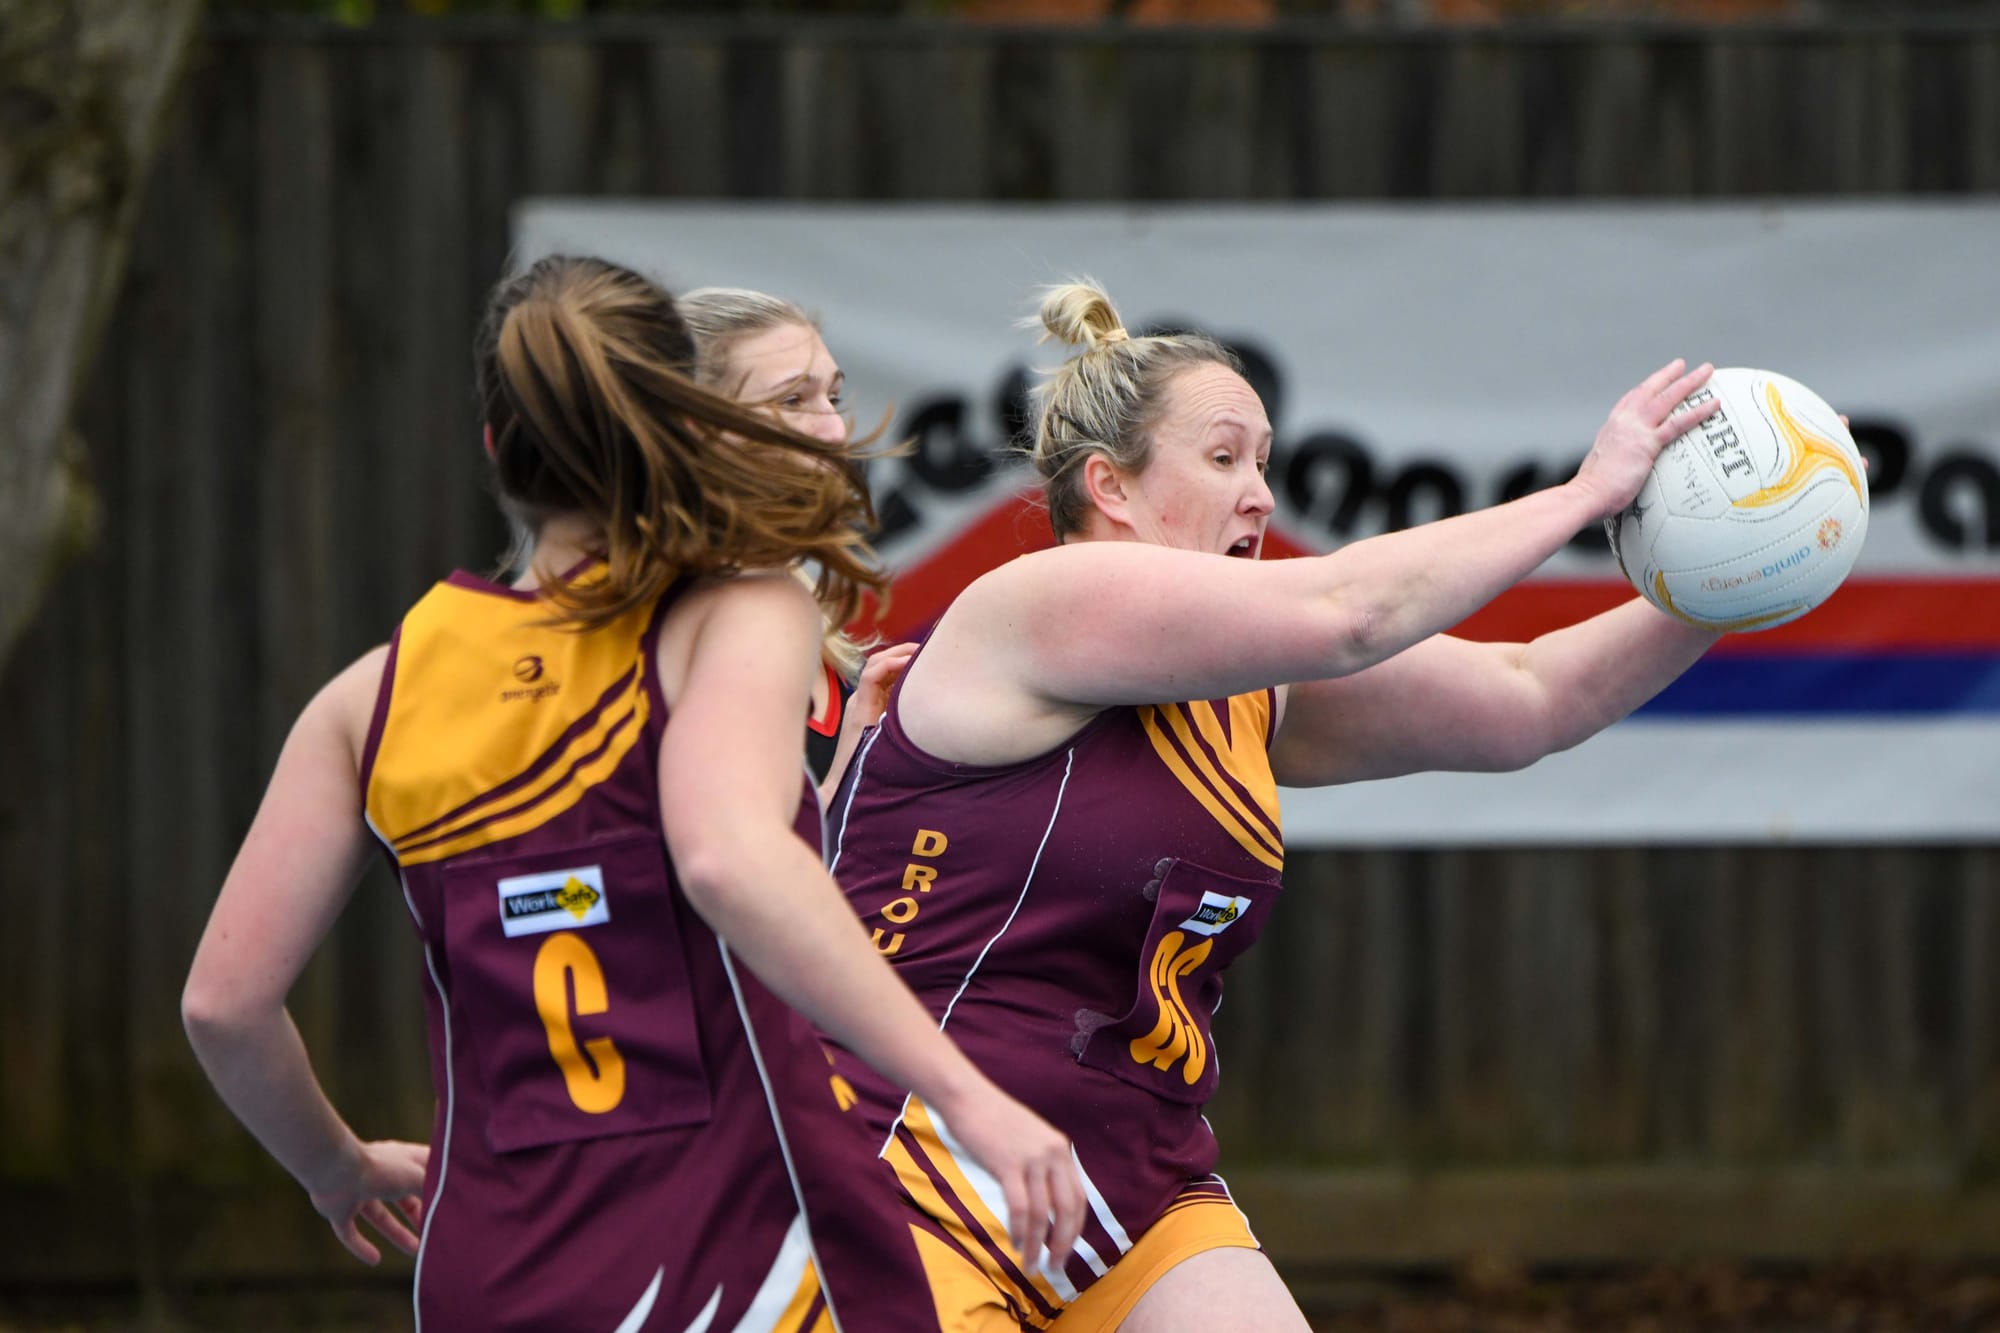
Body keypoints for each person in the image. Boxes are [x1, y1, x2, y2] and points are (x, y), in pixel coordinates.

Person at [181, 255, 1084, 1333]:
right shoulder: (728, 622)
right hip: (740, 1257)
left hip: (490, 1278)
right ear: (674, 426)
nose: (826, 427)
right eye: (793, 399)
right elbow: (728, 858)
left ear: (495, 455)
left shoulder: (369, 696)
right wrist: (970, 1096)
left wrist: (333, 1165)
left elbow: (222, 1007)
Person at [821, 279, 1727, 1332]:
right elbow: (1349, 609)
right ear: (1108, 485)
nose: (1258, 493)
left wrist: (1735, 572)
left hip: (1133, 1179)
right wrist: (1582, 494)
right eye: (1221, 460)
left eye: (1263, 461)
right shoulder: (1034, 605)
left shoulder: (1251, 687)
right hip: (920, 1156)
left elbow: (1529, 698)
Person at [678, 285, 918, 796]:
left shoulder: (801, 619)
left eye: (833, 396)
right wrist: (841, 788)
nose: (835, 431)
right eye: (793, 400)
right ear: (694, 429)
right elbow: (713, 866)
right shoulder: (657, 635)